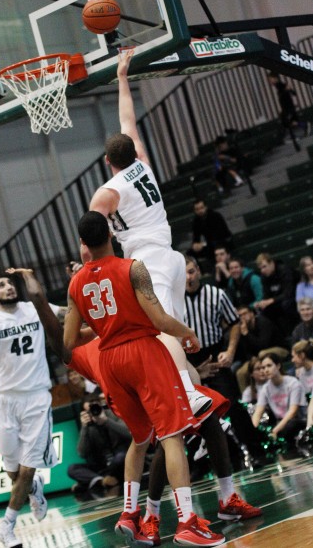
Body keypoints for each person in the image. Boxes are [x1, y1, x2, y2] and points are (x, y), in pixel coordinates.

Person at [16, 262, 262, 547]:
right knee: (169, 436)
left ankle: (147, 512)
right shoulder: (78, 345)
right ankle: (156, 516)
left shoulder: (100, 326)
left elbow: (83, 307)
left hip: (139, 373)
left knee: (188, 424)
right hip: (134, 375)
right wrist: (44, 296)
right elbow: (57, 317)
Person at [64, 211, 225, 547]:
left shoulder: (75, 283)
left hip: (109, 360)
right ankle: (187, 522)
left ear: (82, 243)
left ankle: (129, 513)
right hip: (142, 353)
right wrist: (187, 333)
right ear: (110, 234)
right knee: (172, 436)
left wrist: (105, 325)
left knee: (140, 439)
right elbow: (160, 320)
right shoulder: (132, 268)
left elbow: (70, 342)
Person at [89, 48, 210, 417]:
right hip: (171, 257)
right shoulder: (142, 164)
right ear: (132, 153)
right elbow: (129, 121)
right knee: (171, 333)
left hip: (148, 263)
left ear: (107, 161)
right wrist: (122, 76)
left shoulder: (108, 192)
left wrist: (92, 268)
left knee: (162, 332)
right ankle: (199, 398)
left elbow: (91, 236)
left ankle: (189, 394)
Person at [0, 270, 65, 548]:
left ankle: (6, 527)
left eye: (10, 283)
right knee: (13, 471)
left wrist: (28, 276)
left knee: (28, 469)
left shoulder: (33, 308)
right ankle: (33, 489)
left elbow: (66, 314)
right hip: (6, 401)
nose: (8, 287)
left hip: (36, 398)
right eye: (1, 285)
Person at [184, 256, 267, 462]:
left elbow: (235, 322)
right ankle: (223, 458)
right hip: (189, 361)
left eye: (191, 271)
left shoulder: (216, 294)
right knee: (195, 413)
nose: (188, 277)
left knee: (232, 405)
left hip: (214, 355)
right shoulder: (173, 298)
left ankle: (256, 451)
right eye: (184, 273)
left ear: (199, 271)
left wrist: (230, 351)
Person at [67, 390, 130, 497]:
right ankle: (102, 480)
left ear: (101, 405)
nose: (93, 412)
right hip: (101, 466)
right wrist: (84, 428)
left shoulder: (112, 414)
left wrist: (106, 421)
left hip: (119, 463)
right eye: (89, 411)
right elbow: (82, 453)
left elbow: (129, 434)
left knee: (121, 457)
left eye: (95, 408)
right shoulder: (87, 425)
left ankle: (92, 481)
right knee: (72, 469)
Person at [252, 352, 307, 446]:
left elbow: (293, 412)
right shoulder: (265, 388)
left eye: (269, 366)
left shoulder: (293, 383)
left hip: (296, 421)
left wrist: (275, 431)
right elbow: (257, 413)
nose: (266, 370)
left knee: (289, 426)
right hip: (279, 424)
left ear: (278, 366)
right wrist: (255, 431)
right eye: (263, 367)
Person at [235, 306, 288, 393]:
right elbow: (245, 350)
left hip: (279, 349)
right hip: (258, 357)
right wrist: (251, 358)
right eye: (240, 316)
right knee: (240, 373)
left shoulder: (263, 322)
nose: (242, 317)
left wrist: (247, 334)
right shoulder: (242, 329)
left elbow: (263, 345)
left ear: (252, 313)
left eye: (244, 314)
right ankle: (248, 398)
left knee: (262, 353)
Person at [254, 252, 298, 344]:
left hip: (294, 297)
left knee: (286, 304)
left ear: (272, 263)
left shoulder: (285, 270)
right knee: (265, 310)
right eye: (260, 268)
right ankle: (278, 339)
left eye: (264, 266)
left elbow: (289, 292)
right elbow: (266, 294)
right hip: (278, 300)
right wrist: (261, 303)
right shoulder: (264, 277)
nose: (262, 270)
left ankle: (293, 333)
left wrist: (271, 300)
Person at [190, 199, 233, 273]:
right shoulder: (196, 221)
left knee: (214, 246)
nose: (200, 211)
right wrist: (195, 245)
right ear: (194, 211)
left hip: (223, 241)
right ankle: (201, 272)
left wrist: (203, 244)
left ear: (206, 207)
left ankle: (223, 268)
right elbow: (196, 237)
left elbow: (221, 234)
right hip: (210, 244)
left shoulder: (215, 215)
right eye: (197, 209)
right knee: (190, 253)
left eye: (201, 208)